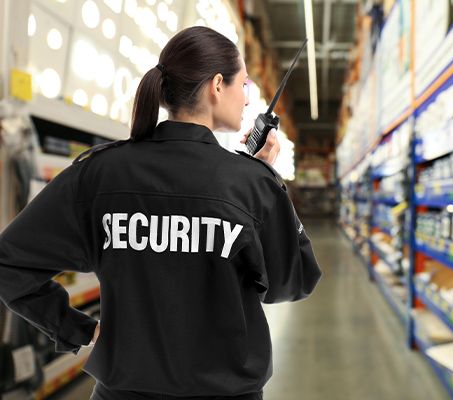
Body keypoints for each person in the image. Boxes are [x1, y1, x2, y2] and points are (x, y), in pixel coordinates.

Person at [0, 26, 322, 400]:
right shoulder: (249, 183)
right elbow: (294, 282)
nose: (248, 101)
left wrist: (79, 329)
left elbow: (9, 263)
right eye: (244, 87)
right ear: (218, 85)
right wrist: (270, 182)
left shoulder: (98, 173)